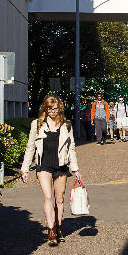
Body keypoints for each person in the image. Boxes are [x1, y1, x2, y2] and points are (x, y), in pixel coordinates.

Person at [20, 94, 81, 247]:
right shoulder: (37, 124)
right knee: (48, 197)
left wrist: (75, 168)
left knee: (59, 199)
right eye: (49, 109)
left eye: (55, 109)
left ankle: (59, 227)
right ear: (45, 109)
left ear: (59, 109)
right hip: (43, 165)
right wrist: (25, 169)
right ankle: (51, 229)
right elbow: (30, 148)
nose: (52, 112)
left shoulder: (66, 125)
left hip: (61, 166)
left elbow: (71, 148)